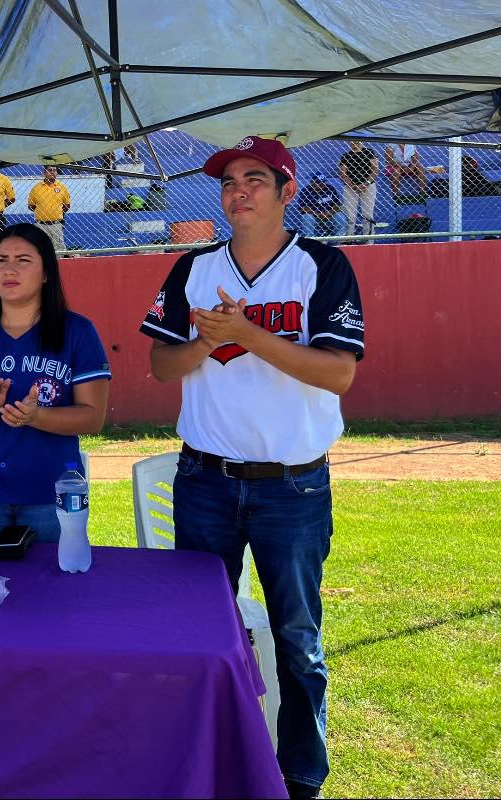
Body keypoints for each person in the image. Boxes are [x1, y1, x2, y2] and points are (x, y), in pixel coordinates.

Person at [140, 136, 365, 800]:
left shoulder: (321, 264)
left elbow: (340, 371)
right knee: (200, 632)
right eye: (229, 181)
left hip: (291, 483)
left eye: (255, 179)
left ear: (287, 190)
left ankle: (299, 777)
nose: (239, 191)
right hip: (205, 478)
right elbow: (160, 365)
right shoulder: (194, 266)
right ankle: (205, 760)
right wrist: (203, 343)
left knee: (298, 639)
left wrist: (248, 335)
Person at [0, 223, 110, 542]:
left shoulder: (77, 332)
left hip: (51, 494)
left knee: (52, 587)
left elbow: (93, 417)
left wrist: (37, 417)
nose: (10, 269)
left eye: (23, 260)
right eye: (1, 260)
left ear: (46, 273)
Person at [338, 140, 378, 240]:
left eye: (356, 141)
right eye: (351, 142)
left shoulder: (369, 152)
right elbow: (343, 174)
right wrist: (354, 186)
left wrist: (366, 184)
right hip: (350, 188)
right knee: (350, 214)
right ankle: (349, 238)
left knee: (367, 213)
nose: (354, 143)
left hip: (368, 186)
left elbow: (375, 170)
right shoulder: (346, 156)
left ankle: (369, 239)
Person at [26, 165, 71, 253]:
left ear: (57, 173)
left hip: (56, 225)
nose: (52, 172)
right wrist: (42, 212)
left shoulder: (62, 188)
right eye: (50, 170)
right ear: (44, 173)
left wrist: (56, 213)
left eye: (54, 170)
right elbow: (31, 206)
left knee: (58, 249)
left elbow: (67, 206)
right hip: (40, 225)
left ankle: (58, 265)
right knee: (41, 248)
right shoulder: (36, 188)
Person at [298, 172, 340, 238]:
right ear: (312, 182)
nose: (322, 184)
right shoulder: (305, 191)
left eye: (323, 182)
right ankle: (309, 240)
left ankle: (339, 241)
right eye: (318, 182)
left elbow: (337, 205)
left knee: (340, 216)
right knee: (307, 217)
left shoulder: (330, 188)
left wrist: (329, 213)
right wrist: (318, 214)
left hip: (329, 217)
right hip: (314, 218)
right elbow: (302, 208)